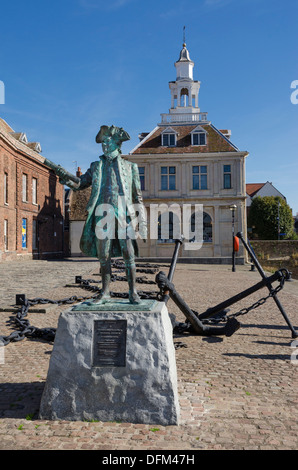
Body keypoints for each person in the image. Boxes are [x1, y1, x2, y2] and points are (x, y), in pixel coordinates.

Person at [56, 125, 147, 304]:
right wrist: (66, 176)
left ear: (116, 143)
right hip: (101, 214)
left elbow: (138, 197)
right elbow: (80, 183)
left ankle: (132, 292)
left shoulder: (130, 167)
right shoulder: (96, 166)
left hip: (124, 215)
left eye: (107, 142)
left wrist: (141, 221)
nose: (104, 145)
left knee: (129, 255)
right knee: (103, 256)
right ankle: (105, 292)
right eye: (102, 143)